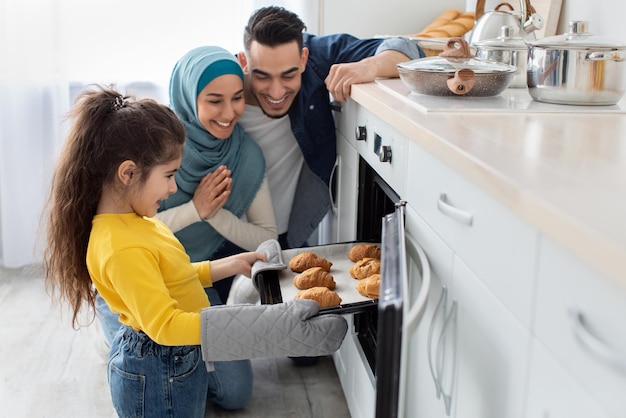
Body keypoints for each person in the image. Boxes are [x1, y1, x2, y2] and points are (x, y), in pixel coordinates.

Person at [42, 85, 347, 417]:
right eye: (169, 176)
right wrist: (259, 325)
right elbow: (166, 327)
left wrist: (227, 265)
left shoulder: (138, 221)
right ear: (128, 173)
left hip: (176, 360)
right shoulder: (122, 248)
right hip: (157, 369)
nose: (174, 188)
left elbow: (175, 276)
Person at [94, 46, 278, 345]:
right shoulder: (152, 145)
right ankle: (105, 311)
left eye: (237, 98)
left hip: (193, 275)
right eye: (215, 101)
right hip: (130, 278)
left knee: (234, 390)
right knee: (144, 357)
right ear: (189, 99)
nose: (229, 113)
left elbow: (266, 238)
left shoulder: (247, 156)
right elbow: (124, 232)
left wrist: (214, 214)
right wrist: (195, 210)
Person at [236, 6, 424, 250]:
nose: (276, 91)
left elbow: (408, 51)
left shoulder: (318, 58)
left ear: (303, 59)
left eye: (288, 75)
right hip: (223, 239)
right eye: (263, 77)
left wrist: (369, 66)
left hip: (287, 239)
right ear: (244, 62)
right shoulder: (217, 87)